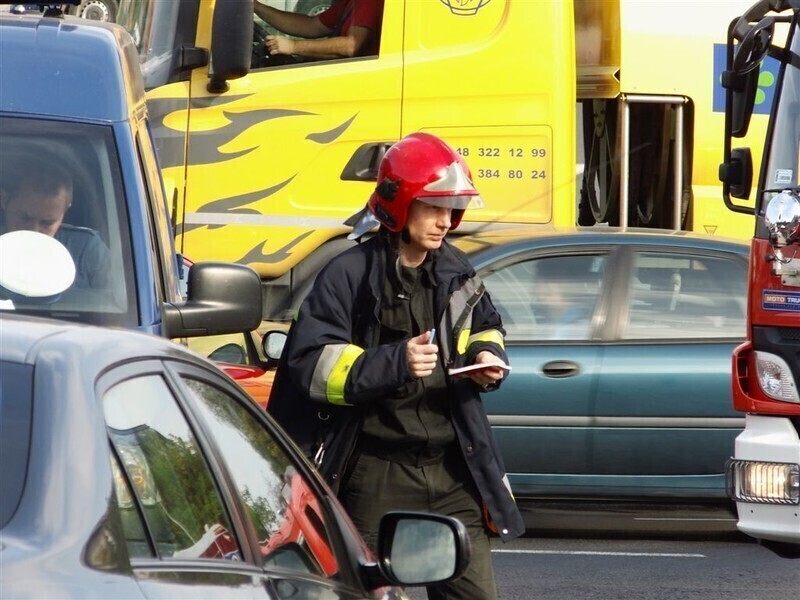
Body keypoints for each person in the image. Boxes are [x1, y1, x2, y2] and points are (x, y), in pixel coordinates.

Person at [267, 133, 524, 599]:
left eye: (451, 210)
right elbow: (310, 368)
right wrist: (395, 363)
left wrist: (489, 357)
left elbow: (487, 325)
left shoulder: (456, 270)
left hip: (452, 470)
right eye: (434, 208)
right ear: (400, 205)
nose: (446, 222)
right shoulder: (348, 274)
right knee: (365, 595)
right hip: (375, 474)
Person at [0, 166, 111, 290]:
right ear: (3, 200)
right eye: (25, 218)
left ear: (65, 210)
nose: (34, 230)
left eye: (47, 223)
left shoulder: (86, 250)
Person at [254, 0, 383, 61]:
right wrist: (256, 6)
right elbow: (310, 26)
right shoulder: (348, 3)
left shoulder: (369, 2)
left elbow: (352, 45)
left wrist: (293, 46)